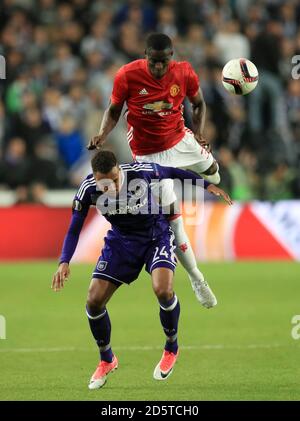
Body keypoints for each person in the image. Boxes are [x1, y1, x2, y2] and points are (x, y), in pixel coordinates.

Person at [52, 150, 232, 390]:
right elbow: (74, 228)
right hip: (121, 243)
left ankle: (171, 347)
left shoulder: (140, 173)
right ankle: (107, 359)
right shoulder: (87, 190)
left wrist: (207, 186)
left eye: (115, 180)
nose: (112, 187)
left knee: (163, 290)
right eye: (105, 183)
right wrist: (64, 260)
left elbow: (173, 173)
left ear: (119, 170)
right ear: (96, 179)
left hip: (154, 236)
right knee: (93, 301)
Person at [88, 33, 221, 308]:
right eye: (153, 61)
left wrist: (199, 133)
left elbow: (198, 103)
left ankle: (209, 173)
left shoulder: (184, 73)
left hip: (181, 139)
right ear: (145, 55)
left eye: (163, 62)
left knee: (214, 171)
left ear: (171, 57)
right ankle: (197, 278)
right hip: (149, 154)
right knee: (174, 220)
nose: (158, 67)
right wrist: (102, 134)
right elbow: (113, 110)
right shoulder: (127, 75)